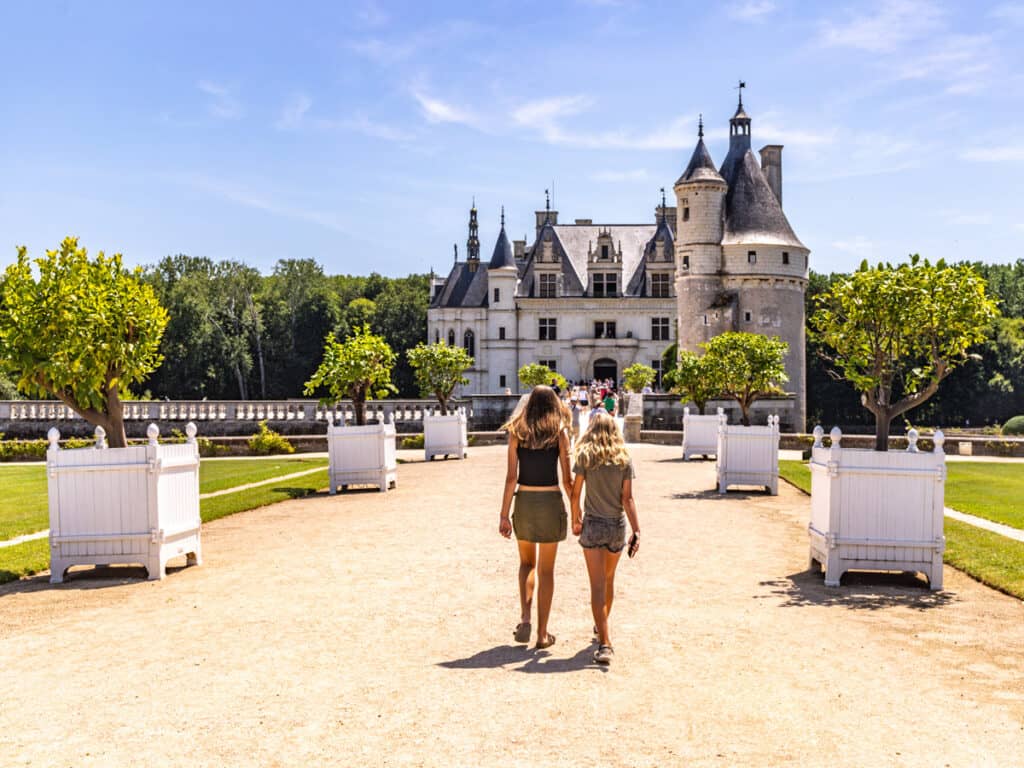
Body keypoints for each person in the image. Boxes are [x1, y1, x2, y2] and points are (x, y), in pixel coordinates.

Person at [499, 385, 573, 650]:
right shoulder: (559, 432)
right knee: (547, 570)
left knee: (526, 564)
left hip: (526, 501)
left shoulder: (517, 432)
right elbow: (568, 480)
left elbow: (511, 478)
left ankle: (526, 617)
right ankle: (542, 634)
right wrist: (576, 514)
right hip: (550, 501)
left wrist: (504, 515)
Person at [570, 410, 641, 665]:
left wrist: (575, 518)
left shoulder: (585, 457)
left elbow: (575, 492)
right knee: (608, 581)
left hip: (593, 525)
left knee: (597, 586)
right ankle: (602, 626)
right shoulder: (623, 459)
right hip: (616, 526)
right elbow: (628, 498)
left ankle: (605, 642)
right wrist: (637, 530)